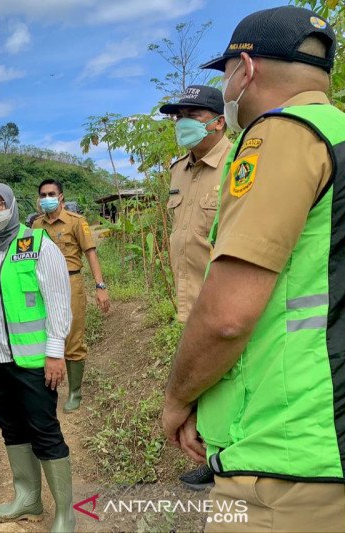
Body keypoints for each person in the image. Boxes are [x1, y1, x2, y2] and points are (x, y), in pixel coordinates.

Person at [162, 6, 345, 531]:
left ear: (245, 68)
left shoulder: (279, 137)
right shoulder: (336, 134)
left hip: (289, 452)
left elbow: (226, 317)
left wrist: (177, 399)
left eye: (225, 75)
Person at [0, 183, 75, 533]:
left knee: (44, 430)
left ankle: (65, 513)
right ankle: (28, 498)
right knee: (10, 426)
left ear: (11, 206)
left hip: (33, 359)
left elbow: (58, 300)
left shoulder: (38, 244)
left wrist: (55, 353)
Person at [159, 86, 231, 491]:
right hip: (190, 301)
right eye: (178, 115)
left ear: (219, 121)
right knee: (205, 383)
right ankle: (212, 456)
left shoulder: (241, 163)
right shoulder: (178, 171)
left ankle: (235, 463)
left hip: (225, 302)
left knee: (232, 379)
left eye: (193, 113)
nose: (182, 122)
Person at [32, 179, 110, 413]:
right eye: (43, 194)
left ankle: (75, 392)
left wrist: (100, 285)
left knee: (73, 337)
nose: (47, 197)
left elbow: (91, 253)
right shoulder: (36, 226)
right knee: (43, 334)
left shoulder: (76, 222)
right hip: (42, 285)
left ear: (61, 197)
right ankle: (47, 388)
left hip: (70, 282)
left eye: (51, 193)